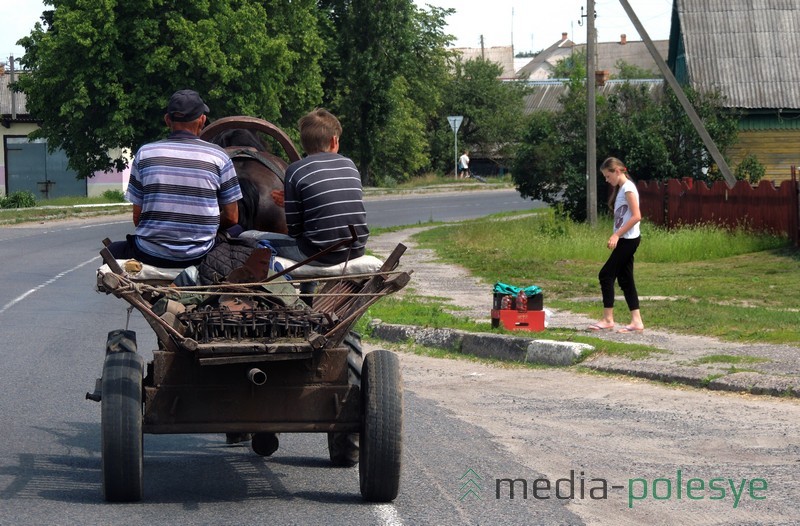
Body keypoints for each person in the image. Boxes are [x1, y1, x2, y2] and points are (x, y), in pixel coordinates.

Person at [107, 89, 242, 268]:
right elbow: (232, 218)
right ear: (202, 120)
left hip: (149, 254)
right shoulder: (219, 156)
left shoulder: (145, 154)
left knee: (114, 250)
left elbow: (137, 218)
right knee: (240, 233)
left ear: (167, 120)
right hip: (200, 255)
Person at [242, 108, 368, 265]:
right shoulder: (350, 165)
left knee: (247, 236)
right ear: (334, 141)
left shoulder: (296, 170)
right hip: (356, 248)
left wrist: (291, 206)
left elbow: (294, 231)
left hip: (319, 255)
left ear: (303, 143)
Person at [588, 157, 644, 334]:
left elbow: (637, 216)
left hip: (628, 240)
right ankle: (636, 322)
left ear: (617, 171)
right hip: (626, 239)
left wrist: (616, 235)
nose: (607, 180)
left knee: (605, 275)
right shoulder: (622, 189)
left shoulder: (628, 188)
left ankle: (607, 319)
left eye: (607, 176)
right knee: (626, 279)